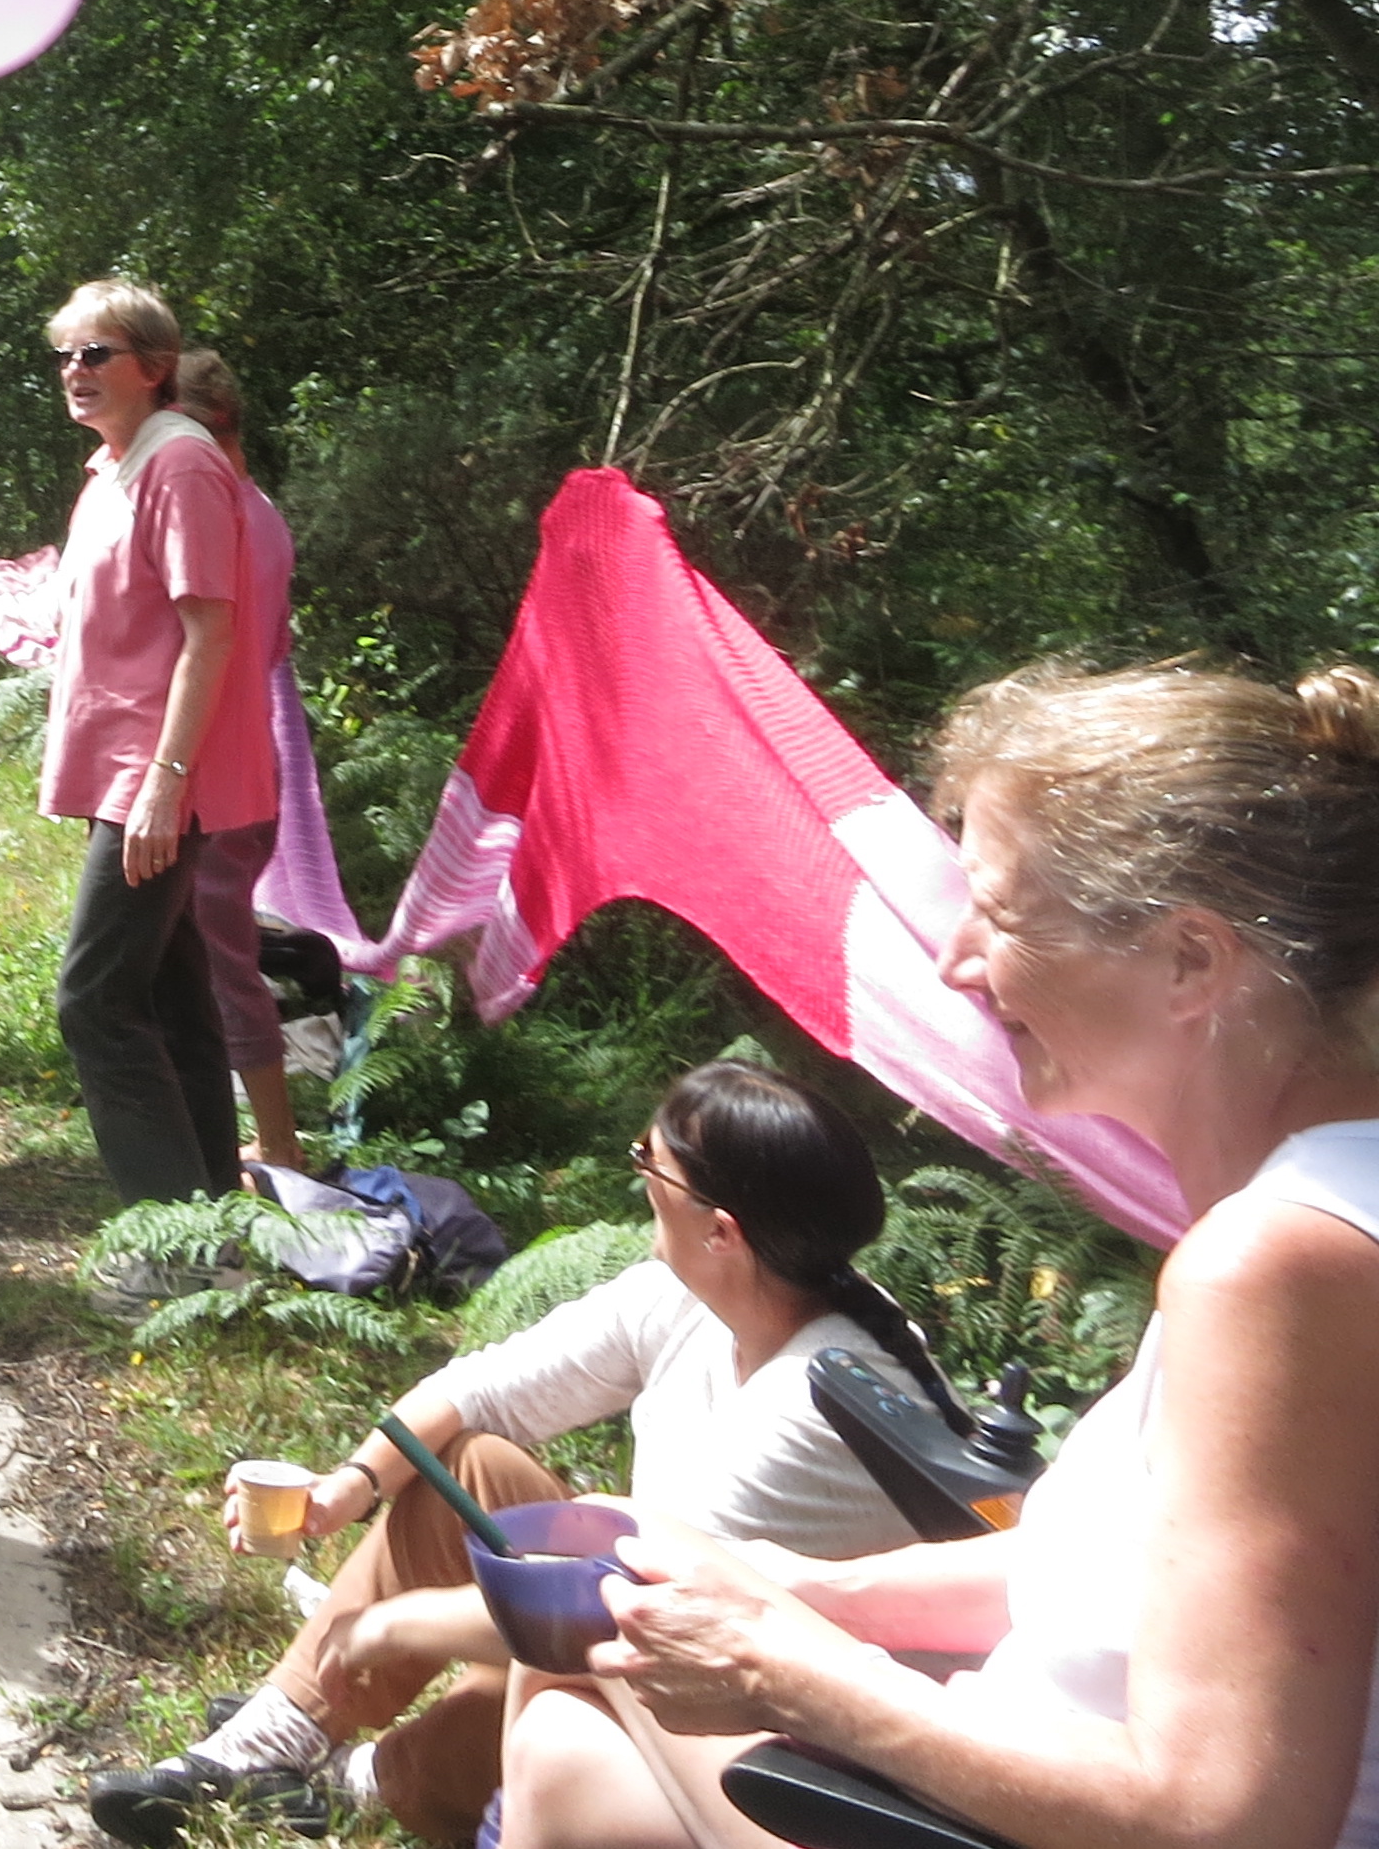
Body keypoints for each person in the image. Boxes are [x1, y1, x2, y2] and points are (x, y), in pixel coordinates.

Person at [503, 660, 1379, 1849]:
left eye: (1001, 914)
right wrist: (802, 1590)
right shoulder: (1318, 1213)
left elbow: (1228, 1819)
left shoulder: (1280, 1265)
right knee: (570, 1729)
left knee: (571, 1680)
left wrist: (786, 1667)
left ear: (1190, 960)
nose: (958, 960)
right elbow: (1126, 1578)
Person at [90, 1062, 946, 1848]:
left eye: (650, 1163)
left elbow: (625, 1614)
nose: (638, 1176)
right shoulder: (710, 1291)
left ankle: (366, 1780)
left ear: (721, 1230)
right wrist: (348, 1487)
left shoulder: (810, 1405)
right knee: (465, 1465)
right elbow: (480, 1390)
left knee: (558, 1691)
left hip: (769, 1741)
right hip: (647, 1626)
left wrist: (392, 1623)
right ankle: (268, 1740)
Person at [39, 278, 276, 1219]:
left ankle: (168, 1239)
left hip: (163, 779)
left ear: (155, 365)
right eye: (65, 354)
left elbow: (209, 632)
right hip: (130, 775)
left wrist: (164, 783)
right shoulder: (115, 465)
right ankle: (213, 1222)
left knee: (93, 999)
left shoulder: (178, 465)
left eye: (96, 353)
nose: (75, 369)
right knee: (174, 997)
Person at [164, 348, 305, 1172]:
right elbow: (275, 646)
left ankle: (277, 1144)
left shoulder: (226, 522)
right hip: (240, 761)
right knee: (202, 953)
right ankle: (219, 1131)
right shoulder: (259, 512)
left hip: (217, 770)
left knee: (221, 958)